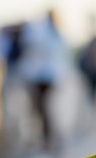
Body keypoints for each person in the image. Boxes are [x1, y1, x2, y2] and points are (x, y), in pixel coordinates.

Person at [19, 9, 70, 150]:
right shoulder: (52, 33)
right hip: (44, 76)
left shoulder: (47, 33)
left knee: (44, 108)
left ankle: (50, 138)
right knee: (43, 108)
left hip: (47, 76)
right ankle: (49, 137)